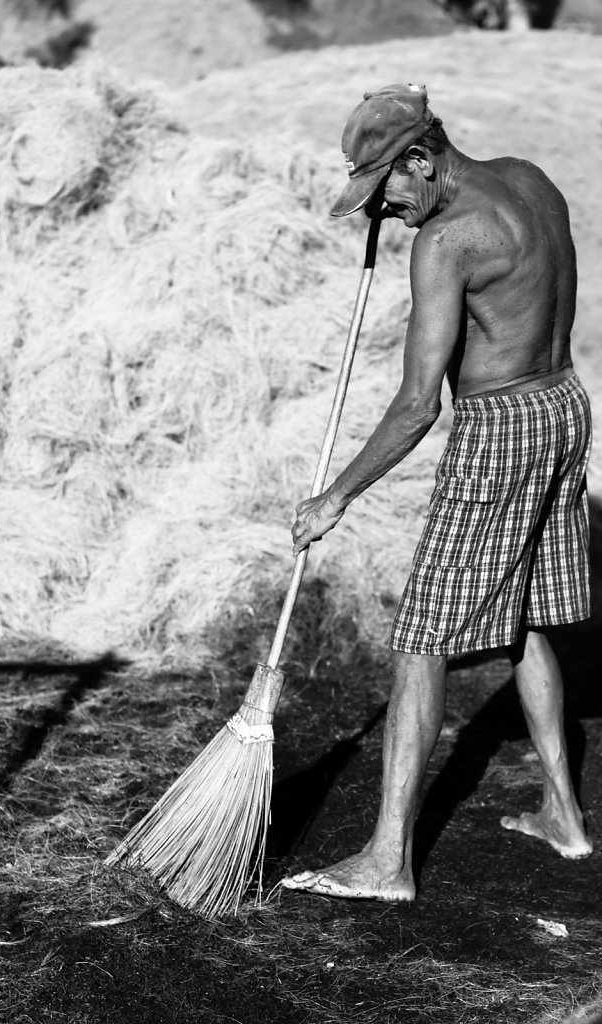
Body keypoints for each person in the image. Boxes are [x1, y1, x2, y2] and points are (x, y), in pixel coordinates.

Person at [281, 83, 593, 902]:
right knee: (516, 612)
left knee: (421, 636)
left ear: (420, 160)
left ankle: (387, 861)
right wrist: (399, 215)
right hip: (564, 405)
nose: (388, 209)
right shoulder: (528, 178)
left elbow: (420, 404)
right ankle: (564, 813)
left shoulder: (446, 238)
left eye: (387, 190)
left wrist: (336, 496)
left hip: (499, 432)